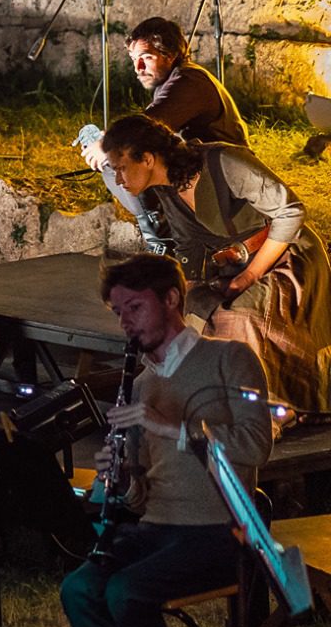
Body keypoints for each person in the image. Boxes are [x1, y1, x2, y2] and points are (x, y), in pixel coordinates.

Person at [60, 253, 272, 627]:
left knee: (127, 592)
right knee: (80, 590)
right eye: (118, 312)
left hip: (221, 529)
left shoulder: (231, 360)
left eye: (134, 306)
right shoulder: (140, 382)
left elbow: (255, 443)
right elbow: (143, 492)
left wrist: (169, 427)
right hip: (159, 527)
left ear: (171, 299)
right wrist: (121, 480)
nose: (125, 321)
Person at [99, 113, 331, 412]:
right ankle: (191, 400)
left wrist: (250, 276)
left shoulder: (224, 162)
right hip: (236, 265)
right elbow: (190, 246)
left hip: (285, 257)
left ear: (146, 159)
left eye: (121, 169)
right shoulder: (164, 188)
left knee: (240, 317)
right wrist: (182, 290)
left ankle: (266, 409)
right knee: (186, 309)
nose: (118, 179)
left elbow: (290, 213)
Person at [80, 15, 247, 222]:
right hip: (206, 171)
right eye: (134, 59)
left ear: (171, 54)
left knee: (118, 155)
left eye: (147, 57)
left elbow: (145, 128)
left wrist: (104, 144)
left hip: (227, 181)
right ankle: (161, 223)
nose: (138, 67)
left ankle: (160, 231)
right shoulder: (176, 79)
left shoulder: (188, 82)